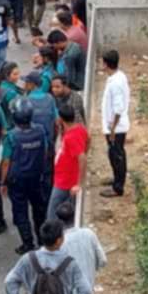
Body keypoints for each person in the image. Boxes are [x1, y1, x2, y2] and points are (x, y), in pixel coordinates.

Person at [55, 197, 106, 294]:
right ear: (74, 216)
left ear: (59, 221)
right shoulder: (89, 233)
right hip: (89, 291)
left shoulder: (60, 244)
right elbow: (103, 261)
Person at [50, 96, 88, 224]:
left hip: (65, 182)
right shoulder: (79, 129)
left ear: (61, 118)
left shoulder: (72, 137)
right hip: (64, 178)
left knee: (52, 214)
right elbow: (88, 140)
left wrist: (79, 184)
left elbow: (82, 157)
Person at [98, 48, 129, 197]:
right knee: (115, 154)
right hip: (115, 126)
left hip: (115, 128)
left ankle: (118, 187)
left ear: (105, 64)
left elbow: (118, 108)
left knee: (117, 155)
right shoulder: (118, 76)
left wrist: (112, 130)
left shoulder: (115, 83)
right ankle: (117, 178)